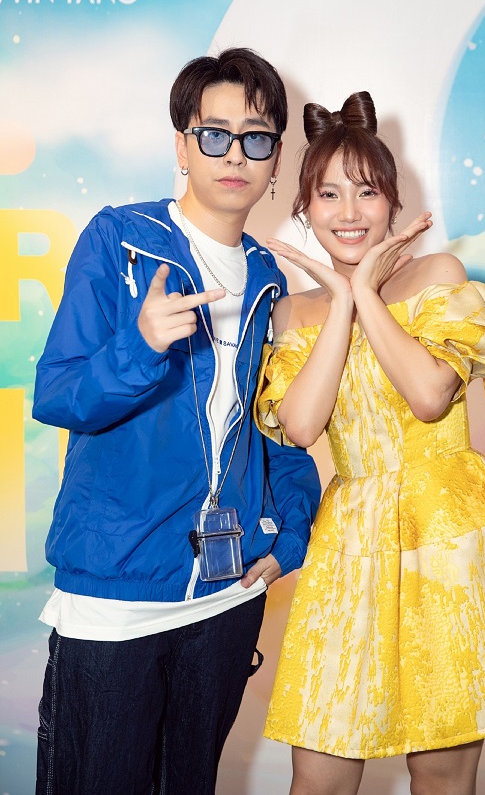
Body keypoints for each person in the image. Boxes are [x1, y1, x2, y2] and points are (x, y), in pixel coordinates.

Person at [254, 91, 485, 795]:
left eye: (366, 191)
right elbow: (302, 426)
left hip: (448, 537)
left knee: (440, 775)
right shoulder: (295, 313)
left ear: (393, 200)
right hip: (350, 543)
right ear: (304, 208)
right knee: (318, 777)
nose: (349, 211)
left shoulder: (439, 276)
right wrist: (341, 301)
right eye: (328, 194)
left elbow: (429, 396)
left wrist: (365, 293)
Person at [32, 47, 320, 795]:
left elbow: (271, 428)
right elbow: (58, 394)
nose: (235, 155)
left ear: (276, 158)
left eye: (256, 138)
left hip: (228, 593)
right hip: (119, 590)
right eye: (214, 134)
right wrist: (139, 346)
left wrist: (289, 535)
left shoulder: (269, 277)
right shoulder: (120, 239)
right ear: (182, 146)